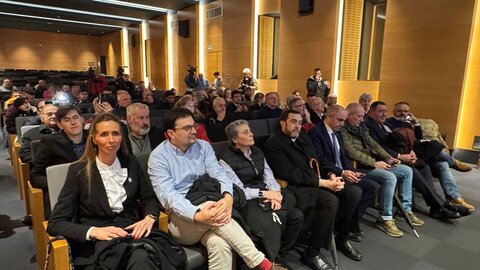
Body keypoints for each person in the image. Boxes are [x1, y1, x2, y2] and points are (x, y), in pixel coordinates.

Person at [148, 108, 281, 270]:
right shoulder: (158, 157)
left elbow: (220, 175)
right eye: (187, 128)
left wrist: (227, 198)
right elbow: (168, 196)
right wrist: (198, 215)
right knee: (217, 216)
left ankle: (264, 265)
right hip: (180, 218)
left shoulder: (203, 146)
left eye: (194, 126)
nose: (193, 131)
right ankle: (263, 264)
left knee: (219, 244)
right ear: (171, 133)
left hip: (209, 204)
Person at [47, 113, 181, 270]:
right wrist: (93, 231)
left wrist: (150, 217)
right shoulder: (79, 170)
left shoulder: (131, 162)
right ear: (94, 139)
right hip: (98, 241)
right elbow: (55, 223)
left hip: (132, 232)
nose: (111, 140)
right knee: (141, 259)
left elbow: (149, 197)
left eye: (115, 133)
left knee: (142, 256)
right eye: (104, 134)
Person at [264, 110, 350, 269]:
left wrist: (331, 176)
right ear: (283, 123)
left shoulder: (302, 135)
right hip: (293, 186)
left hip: (311, 182)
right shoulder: (274, 143)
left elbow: (315, 160)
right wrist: (323, 183)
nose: (297, 125)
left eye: (300, 122)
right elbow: (289, 173)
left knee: (348, 193)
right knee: (329, 200)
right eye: (293, 122)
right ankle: (313, 252)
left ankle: (341, 236)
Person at [219, 120, 304, 268]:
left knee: (297, 215)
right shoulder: (225, 160)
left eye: (250, 130)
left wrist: (276, 194)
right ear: (234, 139)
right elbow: (238, 190)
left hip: (267, 193)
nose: (251, 134)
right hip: (249, 198)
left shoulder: (257, 152)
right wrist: (265, 194)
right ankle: (273, 261)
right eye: (245, 132)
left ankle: (281, 254)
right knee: (270, 223)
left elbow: (268, 176)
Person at [364, 101, 468, 218]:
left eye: (385, 111)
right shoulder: (370, 125)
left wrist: (410, 152)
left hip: (401, 154)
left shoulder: (381, 124)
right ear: (371, 112)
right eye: (380, 111)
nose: (384, 114)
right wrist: (400, 156)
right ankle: (440, 204)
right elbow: (379, 147)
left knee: (425, 166)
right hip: (385, 159)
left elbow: (411, 140)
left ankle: (436, 206)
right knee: (413, 170)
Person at [340, 103, 420, 238]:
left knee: (406, 171)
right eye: (358, 116)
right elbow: (351, 152)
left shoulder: (361, 127)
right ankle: (385, 217)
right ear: (348, 114)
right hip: (359, 166)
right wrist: (374, 163)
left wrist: (388, 157)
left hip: (372, 163)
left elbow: (374, 145)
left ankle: (404, 210)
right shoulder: (343, 130)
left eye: (362, 116)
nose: (361, 119)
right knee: (389, 177)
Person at [308, 105, 379, 244]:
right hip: (328, 175)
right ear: (329, 116)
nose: (342, 124)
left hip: (342, 172)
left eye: (344, 120)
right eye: (340, 120)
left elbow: (343, 156)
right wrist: (342, 172)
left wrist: (350, 171)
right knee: (355, 192)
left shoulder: (338, 132)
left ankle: (348, 222)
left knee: (372, 187)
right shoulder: (315, 133)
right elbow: (319, 160)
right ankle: (344, 232)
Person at [30, 105, 87, 218]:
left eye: (75, 117)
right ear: (60, 124)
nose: (73, 122)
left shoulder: (94, 138)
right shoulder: (50, 143)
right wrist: (58, 184)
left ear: (82, 119)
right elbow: (35, 176)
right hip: (64, 195)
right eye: (67, 120)